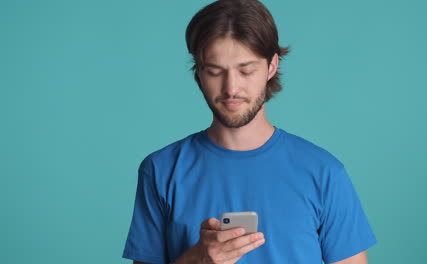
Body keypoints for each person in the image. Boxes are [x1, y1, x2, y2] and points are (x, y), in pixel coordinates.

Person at [122, 0, 377, 263]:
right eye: (215, 71)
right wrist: (197, 259)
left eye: (246, 70)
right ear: (199, 72)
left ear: (272, 66)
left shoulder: (325, 173)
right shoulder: (161, 170)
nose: (231, 88)